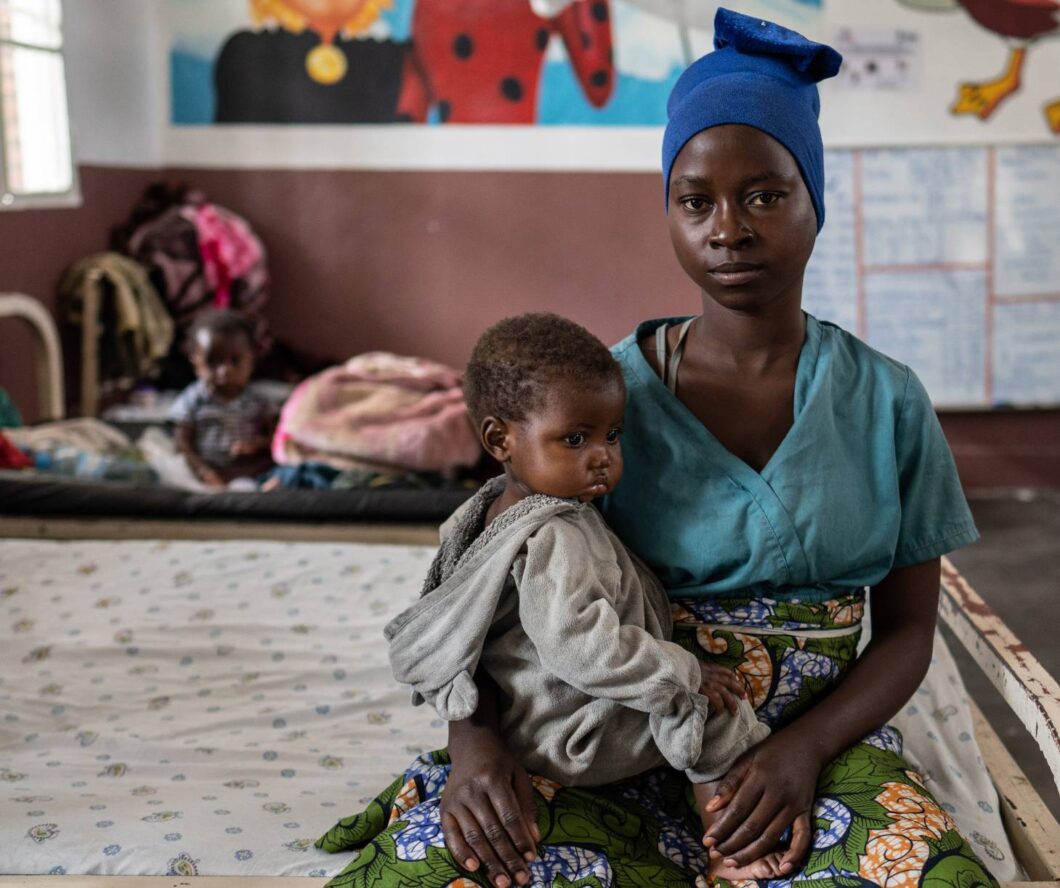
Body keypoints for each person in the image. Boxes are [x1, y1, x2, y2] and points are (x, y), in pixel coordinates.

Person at [316, 9, 999, 888]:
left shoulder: (887, 402)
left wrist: (798, 754)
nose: (729, 228)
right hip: (606, 741)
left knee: (928, 876)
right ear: (670, 215)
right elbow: (487, 583)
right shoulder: (594, 401)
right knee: (453, 871)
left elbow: (908, 632)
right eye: (696, 201)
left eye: (765, 194)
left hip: (811, 754)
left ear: (814, 200)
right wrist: (474, 740)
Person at [384, 313, 775, 877]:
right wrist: (682, 670)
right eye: (574, 438)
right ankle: (727, 846)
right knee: (714, 708)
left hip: (526, 716)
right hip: (573, 735)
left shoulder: (484, 511)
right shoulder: (557, 536)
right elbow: (581, 648)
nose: (602, 456)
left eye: (612, 435)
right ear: (500, 439)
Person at [169, 309, 275, 488]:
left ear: (252, 360)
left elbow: (277, 437)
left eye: (235, 361)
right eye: (213, 362)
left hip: (250, 469)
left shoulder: (259, 402)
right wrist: (202, 471)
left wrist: (257, 444)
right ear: (196, 362)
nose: (225, 371)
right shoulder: (192, 400)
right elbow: (182, 443)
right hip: (209, 470)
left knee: (282, 473)